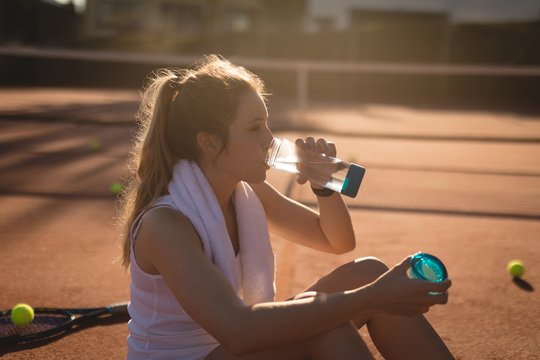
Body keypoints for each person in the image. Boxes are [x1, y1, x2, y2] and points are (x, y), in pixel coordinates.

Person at [119, 54, 455, 360]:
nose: (269, 139)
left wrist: (325, 188)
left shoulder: (248, 192)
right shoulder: (166, 224)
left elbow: (336, 241)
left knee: (368, 271)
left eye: (266, 123)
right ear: (209, 142)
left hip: (229, 348)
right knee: (329, 327)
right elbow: (238, 330)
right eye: (253, 128)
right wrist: (371, 298)